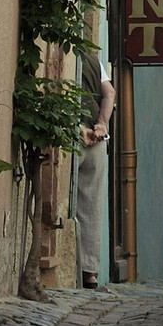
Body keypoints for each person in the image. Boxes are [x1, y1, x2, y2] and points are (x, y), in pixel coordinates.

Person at [74, 52, 113, 289]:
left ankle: (72, 263)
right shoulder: (92, 59)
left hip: (76, 132)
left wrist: (80, 129)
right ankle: (90, 271)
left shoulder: (62, 51)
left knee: (69, 201)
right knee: (92, 204)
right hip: (97, 136)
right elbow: (109, 92)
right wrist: (101, 123)